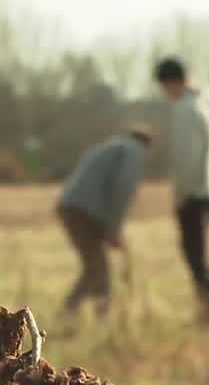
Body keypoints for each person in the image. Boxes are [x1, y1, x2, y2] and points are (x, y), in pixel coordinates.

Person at [155, 56, 209, 322]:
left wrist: (180, 194)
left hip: (195, 190)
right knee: (198, 252)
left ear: (169, 83)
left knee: (194, 254)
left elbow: (186, 157)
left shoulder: (184, 109)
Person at [55, 127, 151, 317]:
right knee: (98, 269)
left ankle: (74, 313)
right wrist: (114, 228)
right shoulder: (133, 151)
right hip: (84, 212)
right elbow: (122, 187)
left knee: (95, 267)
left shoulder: (109, 146)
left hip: (72, 207)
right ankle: (94, 316)